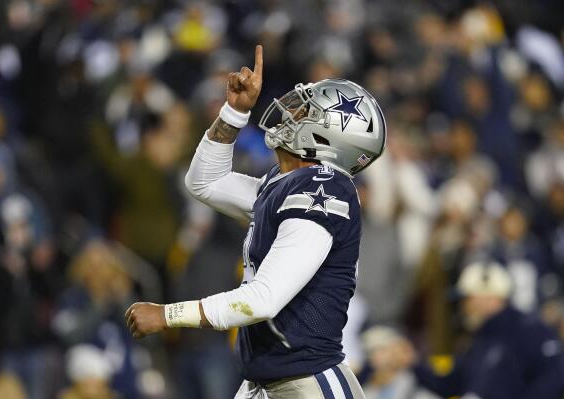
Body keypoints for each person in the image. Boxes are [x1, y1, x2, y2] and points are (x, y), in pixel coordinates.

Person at [125, 45, 387, 398]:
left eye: (305, 111)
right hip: (266, 384)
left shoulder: (324, 190)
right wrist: (233, 113)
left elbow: (262, 299)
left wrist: (168, 315)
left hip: (308, 385)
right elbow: (204, 182)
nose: (290, 113)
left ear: (325, 136)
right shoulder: (284, 184)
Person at [406, 261, 564, 399]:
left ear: (491, 298)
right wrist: (413, 363)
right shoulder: (481, 337)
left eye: (469, 298)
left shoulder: (532, 330)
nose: (464, 306)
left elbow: (554, 378)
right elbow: (451, 384)